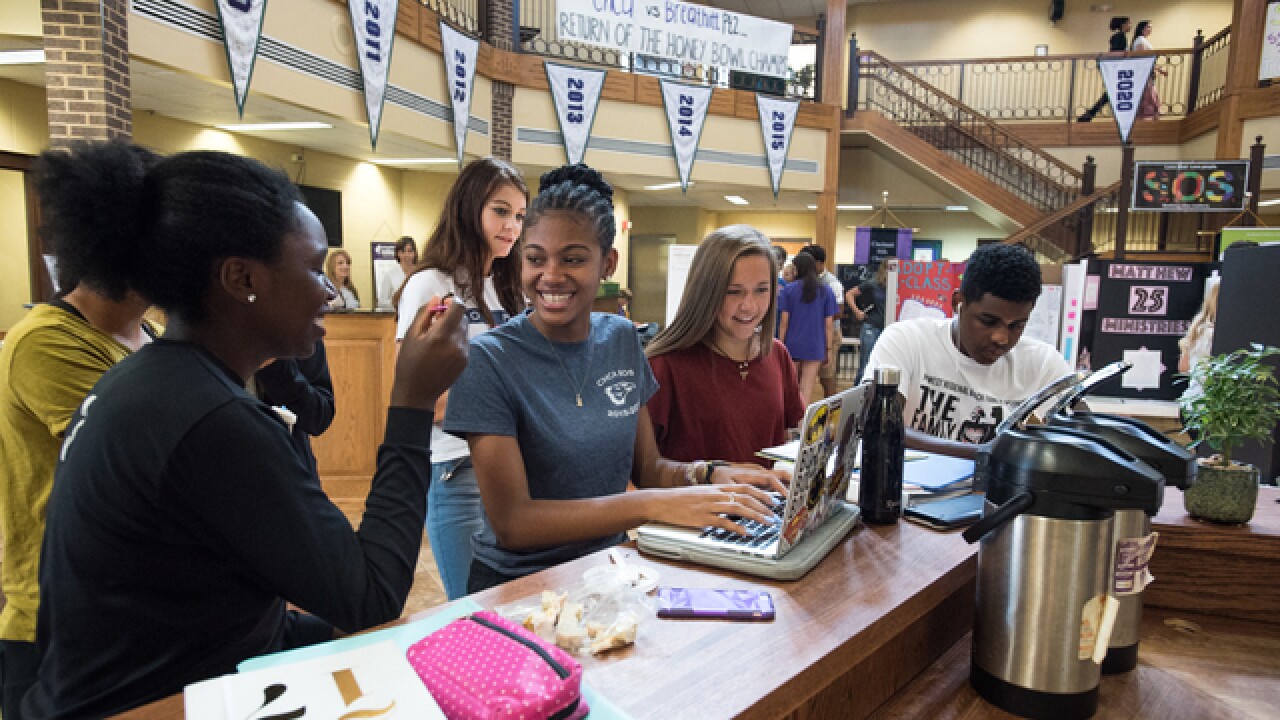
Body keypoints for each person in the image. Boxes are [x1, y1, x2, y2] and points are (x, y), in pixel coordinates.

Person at [25, 142, 470, 718]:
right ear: (241, 278)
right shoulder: (208, 418)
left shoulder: (157, 381)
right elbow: (370, 595)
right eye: (313, 268)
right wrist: (411, 400)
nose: (330, 291)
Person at [444, 164, 784, 594]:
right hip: (519, 587)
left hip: (609, 572)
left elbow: (648, 468)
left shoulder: (621, 338)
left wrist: (710, 475)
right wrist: (656, 506)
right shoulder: (490, 360)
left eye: (573, 259)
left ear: (608, 262)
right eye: (535, 259)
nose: (550, 275)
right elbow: (513, 522)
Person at [0, 143, 162, 720]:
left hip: (141, 614)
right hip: (59, 624)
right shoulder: (45, 342)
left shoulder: (156, 339)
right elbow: (151, 467)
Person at [394, 156, 528, 601]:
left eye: (520, 216)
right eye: (501, 211)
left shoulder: (510, 287)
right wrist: (499, 405)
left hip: (516, 465)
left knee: (516, 607)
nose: (513, 226)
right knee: (471, 609)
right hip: (457, 465)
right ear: (470, 208)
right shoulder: (430, 284)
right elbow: (413, 395)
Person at [861, 243, 1072, 459]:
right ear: (957, 302)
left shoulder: (1043, 362)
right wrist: (984, 453)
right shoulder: (906, 340)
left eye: (1016, 325)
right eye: (988, 321)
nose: (1001, 338)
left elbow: (1081, 434)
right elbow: (878, 428)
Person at [646, 225, 806, 466]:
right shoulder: (664, 365)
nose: (749, 306)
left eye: (761, 290)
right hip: (696, 503)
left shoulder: (776, 354)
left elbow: (784, 438)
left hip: (766, 502)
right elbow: (643, 469)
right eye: (733, 292)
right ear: (705, 293)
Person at [253, 339, 335, 478]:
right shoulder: (207, 330)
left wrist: (275, 365)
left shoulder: (296, 325)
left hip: (288, 471)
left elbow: (318, 417)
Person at [779, 251, 838, 404]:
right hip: (815, 344)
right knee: (807, 387)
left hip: (793, 344)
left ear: (797, 269)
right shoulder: (826, 291)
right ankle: (801, 424)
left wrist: (780, 344)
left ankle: (789, 422)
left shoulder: (788, 290)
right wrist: (828, 349)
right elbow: (828, 325)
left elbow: (784, 322)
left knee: (790, 386)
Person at [802, 244, 844, 398]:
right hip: (807, 333)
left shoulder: (832, 283)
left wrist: (814, 315)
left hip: (829, 333)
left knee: (827, 378)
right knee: (803, 379)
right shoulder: (800, 282)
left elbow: (839, 311)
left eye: (810, 262)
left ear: (820, 263)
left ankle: (830, 416)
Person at [1078, 16, 1131, 122]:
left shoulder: (1120, 36)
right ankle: (1090, 114)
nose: (1130, 26)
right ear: (1123, 25)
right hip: (1115, 68)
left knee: (1110, 94)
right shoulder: (1119, 36)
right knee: (1111, 94)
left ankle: (1089, 114)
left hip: (1115, 68)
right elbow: (1115, 52)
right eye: (1129, 23)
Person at [1178, 277, 1219, 408]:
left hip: (1191, 403)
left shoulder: (1198, 329)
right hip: (1207, 408)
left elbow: (1184, 367)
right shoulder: (1214, 335)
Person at [846, 261, 889, 384]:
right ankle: (858, 393)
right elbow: (849, 294)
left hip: (889, 329)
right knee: (866, 363)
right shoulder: (873, 284)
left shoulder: (899, 286)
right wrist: (857, 312)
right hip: (872, 326)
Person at [1131, 21, 1166, 120]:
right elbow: (1142, 58)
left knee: (1150, 93)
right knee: (1147, 94)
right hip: (1143, 72)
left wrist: (1159, 69)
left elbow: (1148, 59)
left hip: (1147, 71)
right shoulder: (1140, 41)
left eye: (1151, 27)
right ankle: (1146, 116)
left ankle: (1151, 114)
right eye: (1148, 27)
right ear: (1142, 28)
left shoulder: (1143, 40)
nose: (1150, 29)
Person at [376, 236, 418, 311]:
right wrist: (400, 303)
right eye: (403, 252)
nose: (406, 255)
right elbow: (381, 302)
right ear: (398, 254)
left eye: (410, 251)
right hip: (396, 318)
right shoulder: (389, 275)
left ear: (414, 253)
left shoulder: (420, 273)